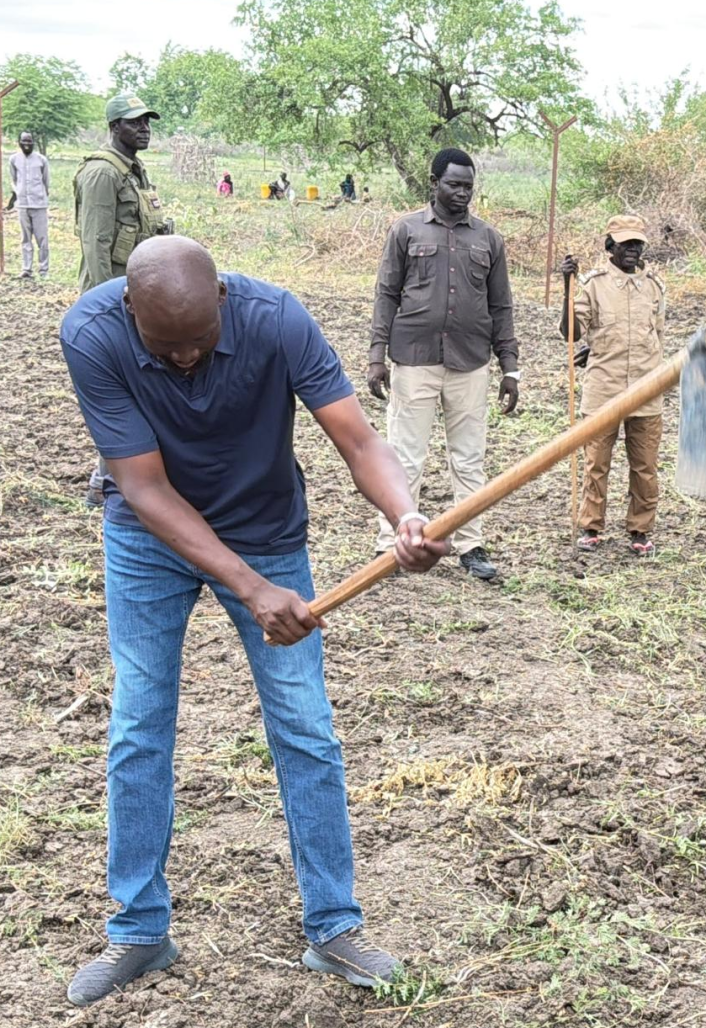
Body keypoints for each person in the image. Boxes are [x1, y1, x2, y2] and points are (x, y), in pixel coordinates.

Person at [58, 236, 450, 1006]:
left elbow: (359, 438)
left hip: (267, 531)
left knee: (306, 725)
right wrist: (248, 588)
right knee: (140, 722)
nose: (183, 360)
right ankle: (140, 929)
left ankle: (334, 928)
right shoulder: (91, 333)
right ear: (127, 308)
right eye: (163, 345)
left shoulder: (277, 319)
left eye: (199, 341)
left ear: (225, 305)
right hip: (150, 540)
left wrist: (405, 516)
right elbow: (142, 487)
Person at [368, 147, 520, 581]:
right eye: (454, 185)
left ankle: (471, 544)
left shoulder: (488, 239)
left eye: (469, 186)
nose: (462, 193)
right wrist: (376, 356)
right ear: (433, 184)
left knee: (469, 457)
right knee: (404, 456)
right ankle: (390, 546)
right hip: (414, 358)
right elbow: (386, 294)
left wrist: (510, 366)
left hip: (471, 362)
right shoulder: (406, 230)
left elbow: (501, 305)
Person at [76, 92, 171, 507]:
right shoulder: (102, 173)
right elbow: (95, 242)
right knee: (119, 389)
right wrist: (104, 305)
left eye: (147, 122)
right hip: (115, 297)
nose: (144, 129)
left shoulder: (135, 171)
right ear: (115, 127)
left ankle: (117, 475)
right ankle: (104, 481)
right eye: (135, 123)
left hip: (142, 295)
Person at [560, 215, 667, 556]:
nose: (632, 250)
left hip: (647, 387)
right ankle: (591, 526)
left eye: (637, 243)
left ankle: (640, 530)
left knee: (646, 467)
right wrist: (567, 288)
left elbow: (658, 335)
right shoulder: (592, 285)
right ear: (610, 247)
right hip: (603, 388)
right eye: (625, 244)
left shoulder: (655, 287)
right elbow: (572, 333)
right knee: (596, 463)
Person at [7, 130, 50, 279]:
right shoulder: (13, 159)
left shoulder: (41, 160)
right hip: (23, 204)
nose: (26, 144)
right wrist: (17, 193)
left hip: (39, 204)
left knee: (42, 239)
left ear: (33, 142)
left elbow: (46, 181)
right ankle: (27, 269)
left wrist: (43, 196)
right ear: (19, 142)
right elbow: (13, 179)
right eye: (23, 141)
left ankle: (44, 270)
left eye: (29, 141)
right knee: (25, 238)